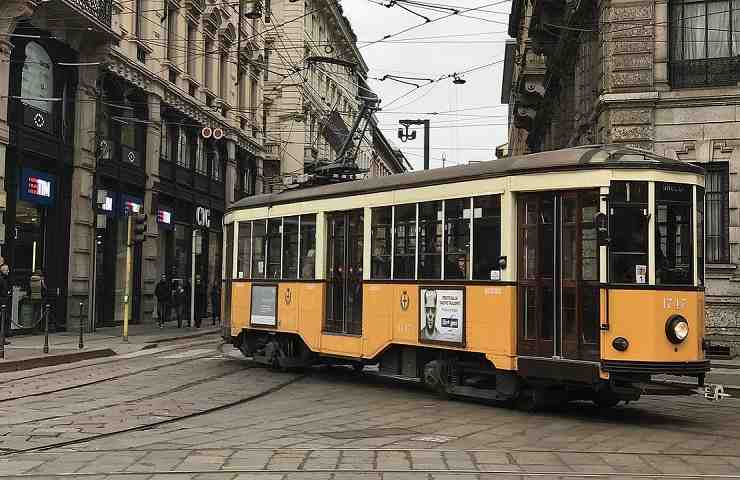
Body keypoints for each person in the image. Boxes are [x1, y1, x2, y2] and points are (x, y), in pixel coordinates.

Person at [0, 262, 10, 344]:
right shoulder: (1, 279)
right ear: (2, 270)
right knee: (2, 321)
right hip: (1, 304)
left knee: (3, 321)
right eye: (7, 270)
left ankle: (2, 339)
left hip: (3, 302)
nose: (8, 271)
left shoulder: (4, 279)